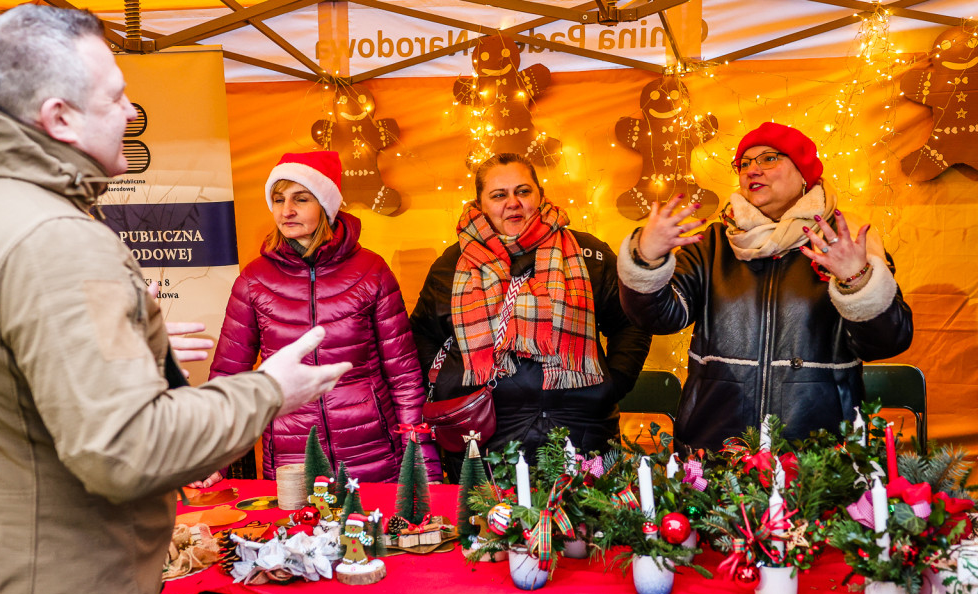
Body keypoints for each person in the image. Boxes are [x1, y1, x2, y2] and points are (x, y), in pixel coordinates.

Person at [0, 6, 350, 594]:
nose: (131, 108)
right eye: (113, 95)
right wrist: (269, 392)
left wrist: (136, 344)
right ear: (60, 118)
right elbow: (123, 448)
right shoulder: (55, 238)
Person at [617, 122, 914, 451]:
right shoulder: (713, 244)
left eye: (769, 158)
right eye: (744, 163)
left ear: (804, 174)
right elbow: (657, 318)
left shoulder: (842, 242)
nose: (752, 170)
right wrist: (647, 259)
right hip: (715, 447)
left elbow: (886, 343)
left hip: (820, 453)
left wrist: (857, 280)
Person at [205, 151, 439, 484]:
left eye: (300, 198)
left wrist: (421, 459)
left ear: (326, 205)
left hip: (372, 451)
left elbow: (403, 374)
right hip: (292, 454)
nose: (286, 210)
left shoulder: (372, 271)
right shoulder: (254, 280)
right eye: (278, 199)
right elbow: (230, 373)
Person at [411, 153, 651, 477]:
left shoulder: (588, 253)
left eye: (523, 191)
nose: (513, 202)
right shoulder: (451, 265)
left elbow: (631, 321)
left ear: (539, 195)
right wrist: (450, 384)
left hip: (583, 431)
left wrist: (614, 383)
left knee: (589, 526)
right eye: (499, 195)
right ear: (480, 204)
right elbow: (423, 333)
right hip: (488, 438)